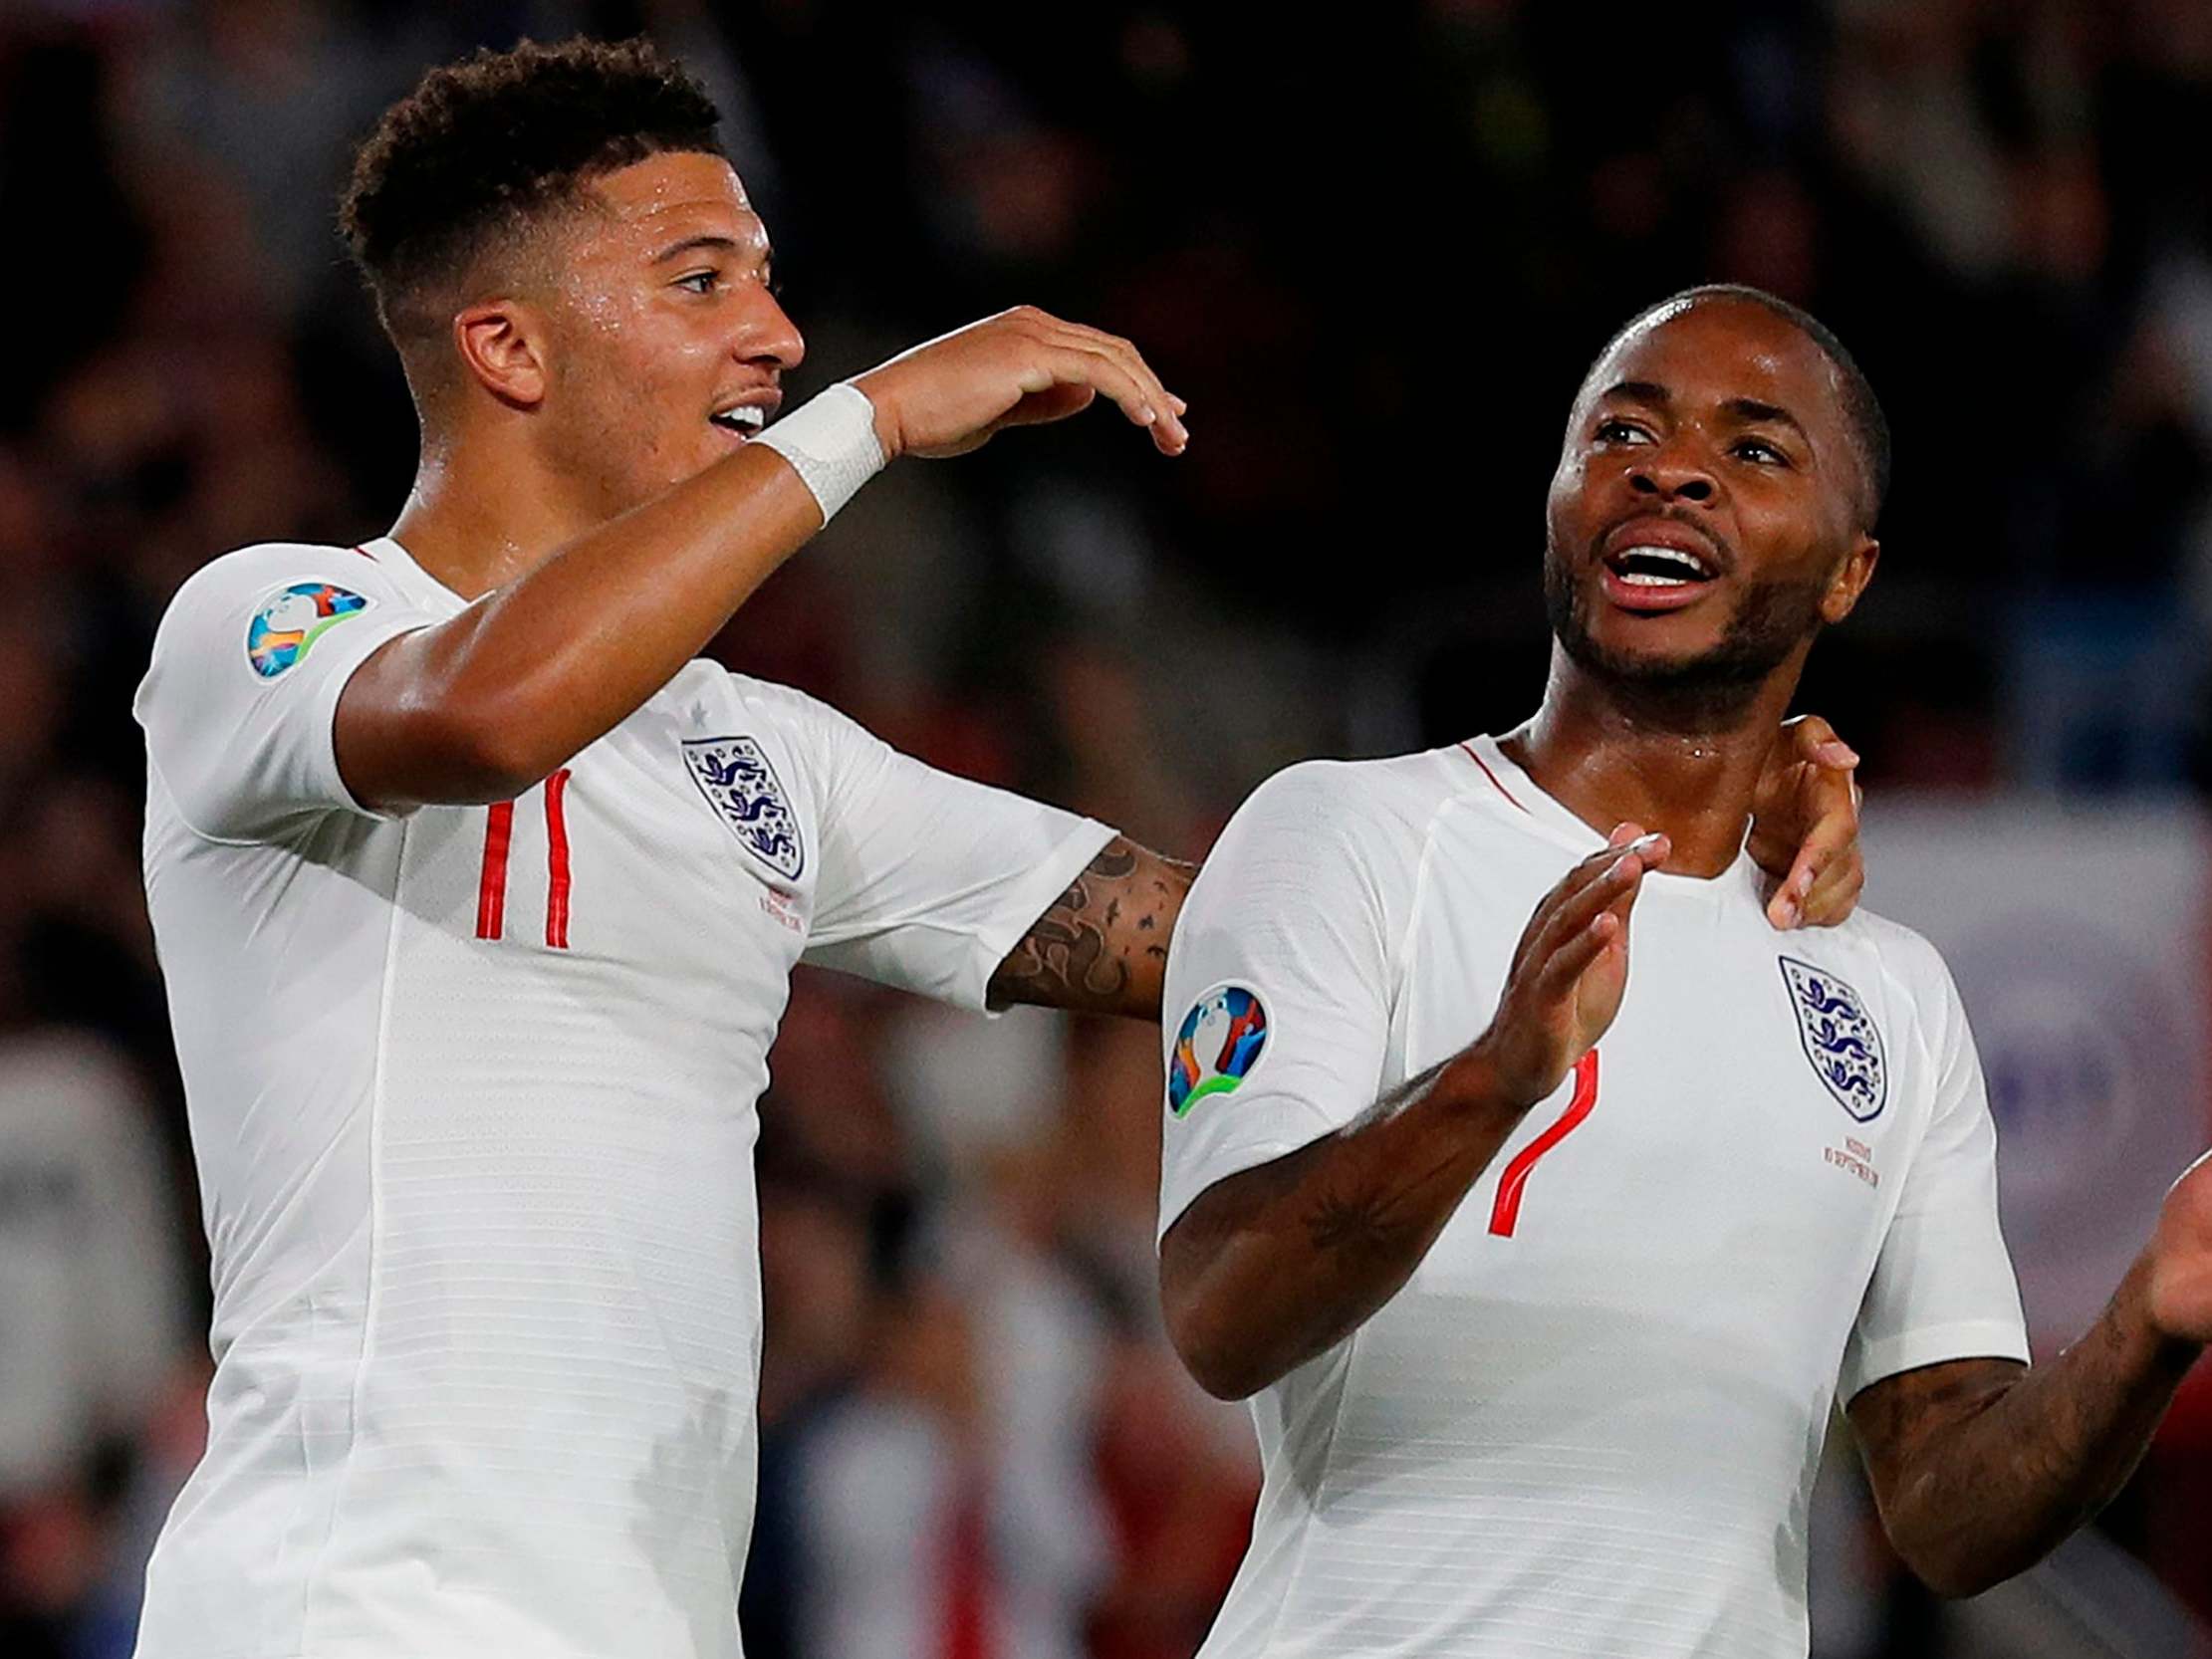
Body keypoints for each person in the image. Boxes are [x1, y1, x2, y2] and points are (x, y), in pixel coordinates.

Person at [128, 38, 1865, 1659]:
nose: (778, 335)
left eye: (766, 278)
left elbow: (1255, 933)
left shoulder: (765, 765)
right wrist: (873, 422)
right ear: (507, 347)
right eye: (701, 282)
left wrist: (1681, 813)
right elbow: (486, 712)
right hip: (334, 1603)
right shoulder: (271, 622)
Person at [1156, 285, 2212, 1659]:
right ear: (1555, 501)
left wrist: (2151, 1318)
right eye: (1619, 432)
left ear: (1848, 572)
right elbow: (1220, 1314)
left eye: (1755, 448)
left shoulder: (1890, 994)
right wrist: (1491, 1080)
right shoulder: (1346, 834)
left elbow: (1946, 1510)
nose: (1668, 467)